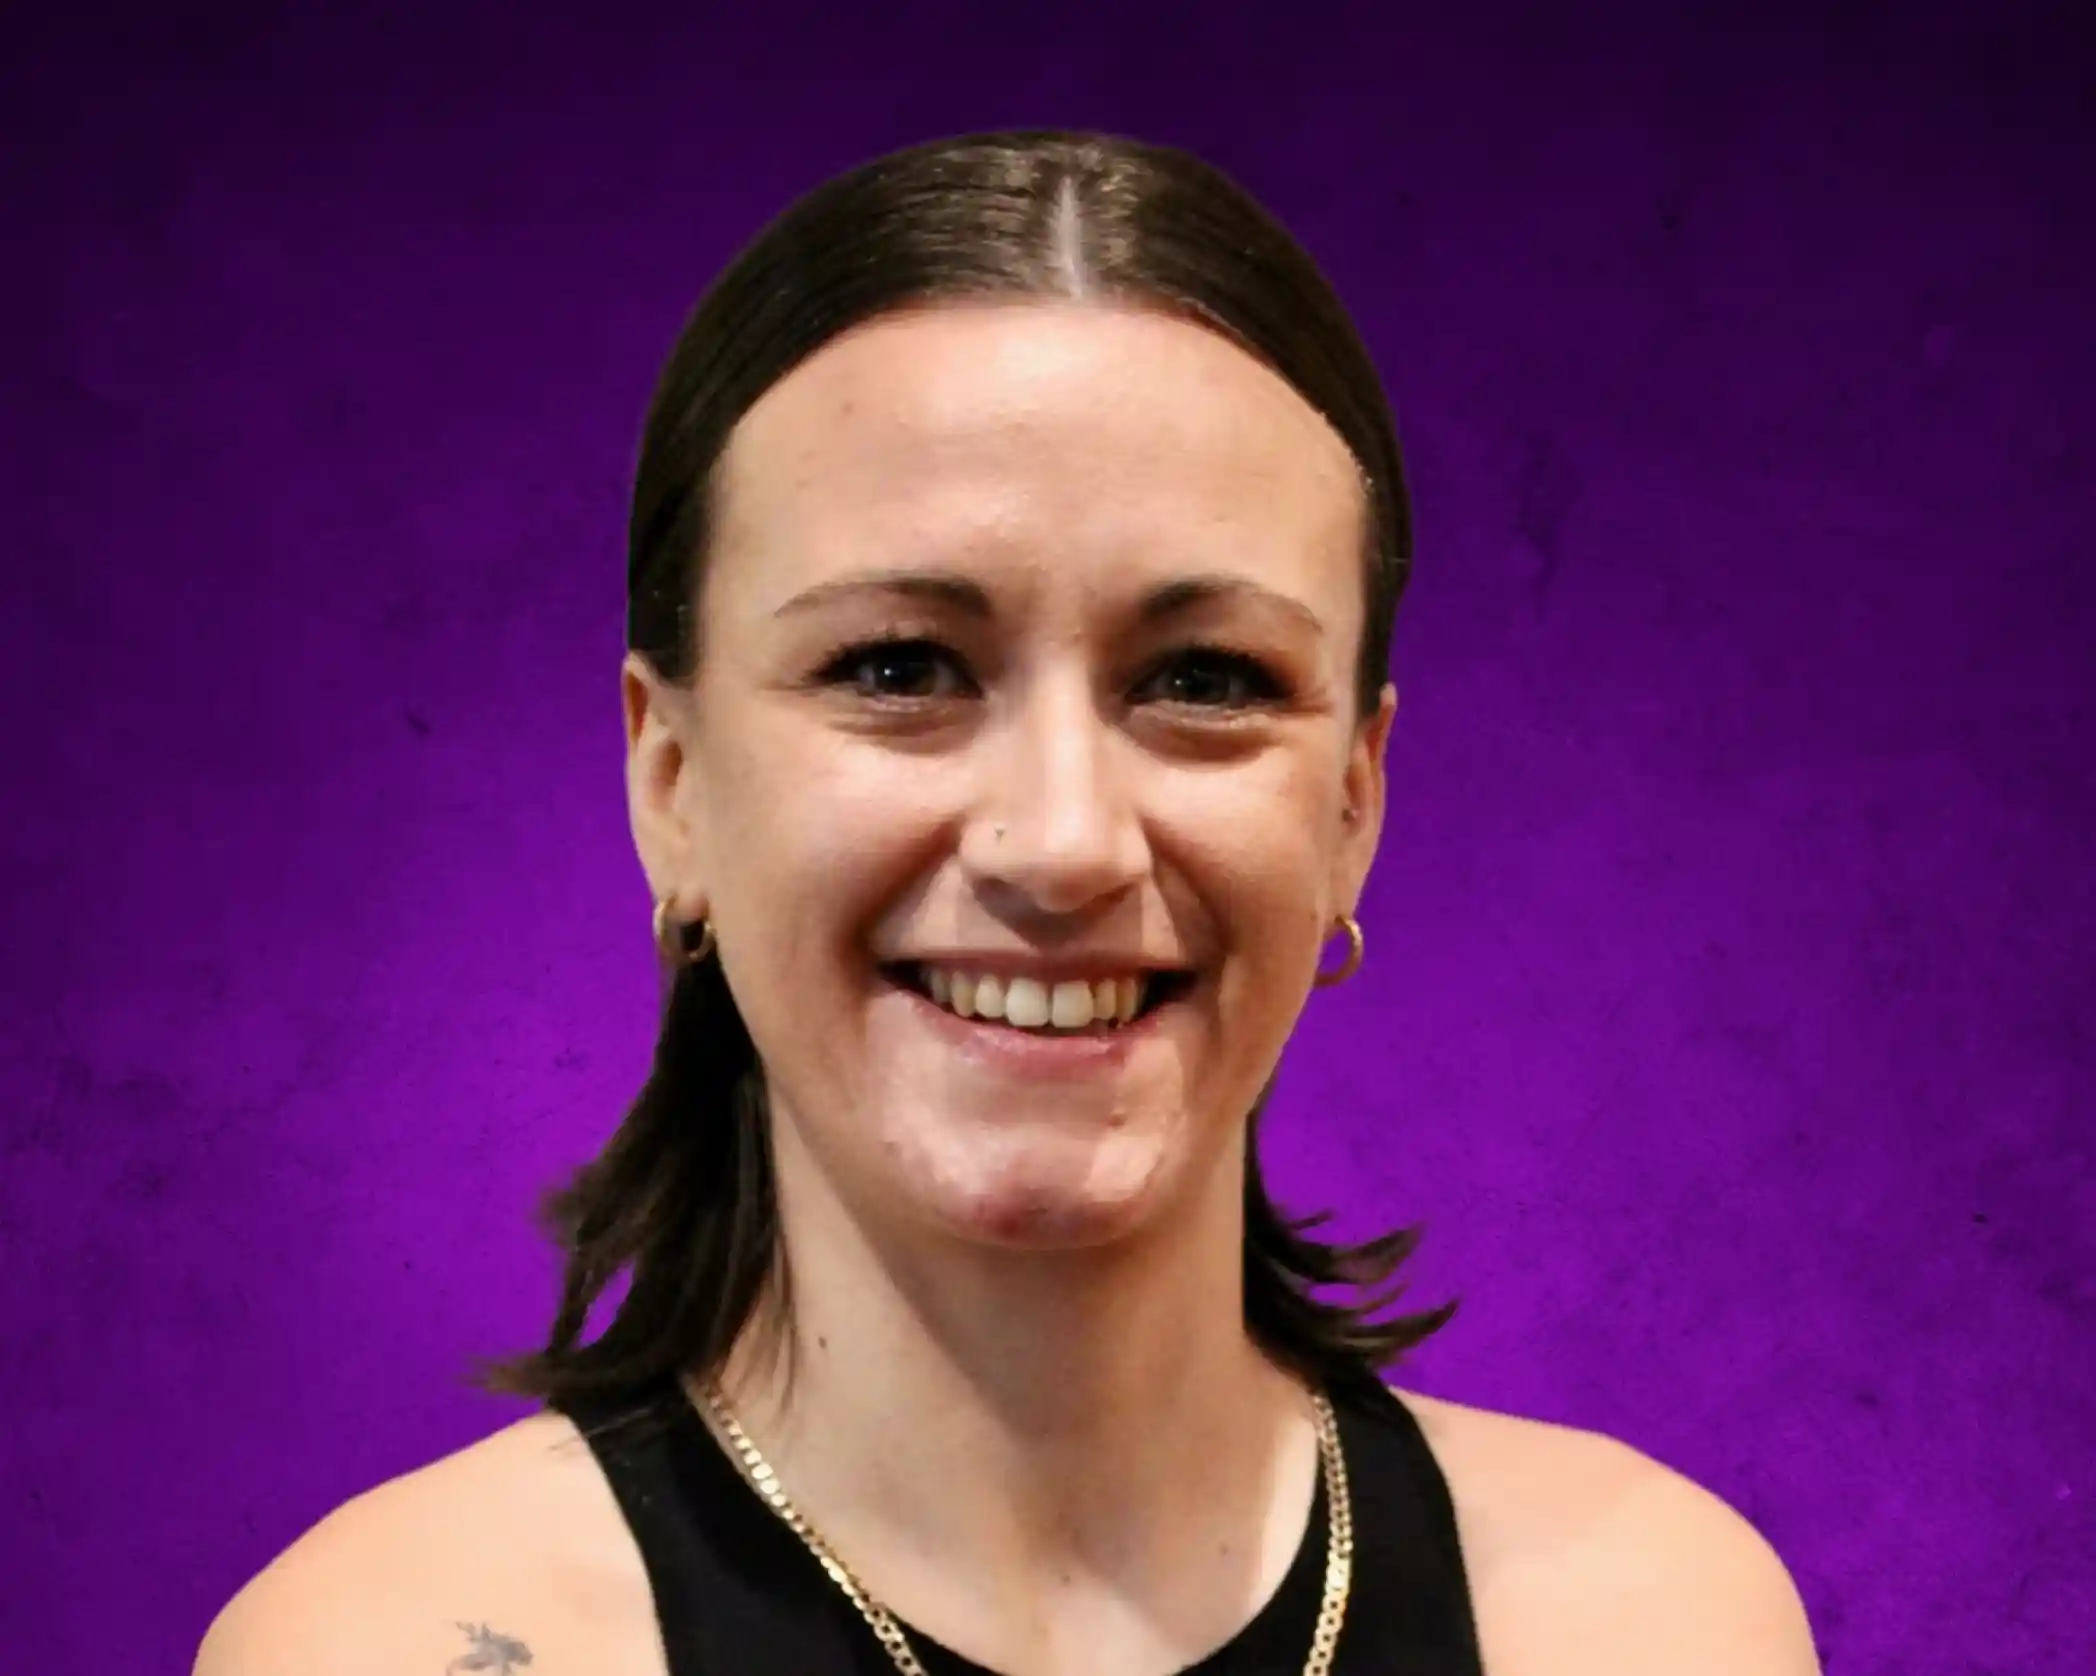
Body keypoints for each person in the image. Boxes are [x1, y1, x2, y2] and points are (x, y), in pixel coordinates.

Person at [195, 130, 1820, 1676]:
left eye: (1205, 679)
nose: (1062, 843)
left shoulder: (1651, 1623)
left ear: (1351, 805)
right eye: (898, 667)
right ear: (671, 786)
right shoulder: (392, 1642)